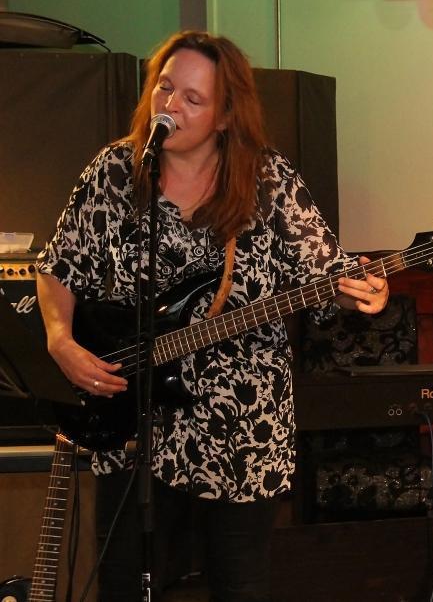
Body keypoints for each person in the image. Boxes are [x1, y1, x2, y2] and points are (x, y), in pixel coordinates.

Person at [36, 30, 389, 602]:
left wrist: (360, 290)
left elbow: (328, 275)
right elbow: (59, 266)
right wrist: (60, 339)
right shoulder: (116, 171)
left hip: (242, 427)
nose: (170, 105)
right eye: (165, 88)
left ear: (226, 116)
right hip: (133, 421)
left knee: (239, 586)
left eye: (193, 98)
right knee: (125, 583)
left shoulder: (267, 180)